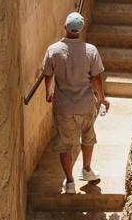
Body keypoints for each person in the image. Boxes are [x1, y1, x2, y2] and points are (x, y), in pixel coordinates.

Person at [42, 12, 111, 194]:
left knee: (65, 144)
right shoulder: (90, 50)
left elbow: (48, 73)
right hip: (85, 104)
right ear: (81, 30)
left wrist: (49, 91)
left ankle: (70, 182)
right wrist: (102, 99)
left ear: (65, 28)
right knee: (88, 136)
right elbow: (96, 77)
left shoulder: (53, 50)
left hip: (63, 106)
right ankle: (87, 170)